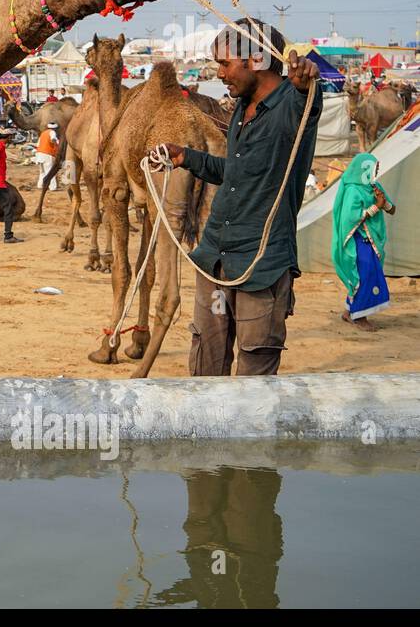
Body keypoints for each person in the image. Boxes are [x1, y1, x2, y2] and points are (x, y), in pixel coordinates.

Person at [162, 20, 322, 376]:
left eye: (225, 63)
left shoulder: (293, 105)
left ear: (257, 60)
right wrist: (186, 157)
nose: (219, 73)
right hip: (215, 259)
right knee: (207, 362)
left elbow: (307, 98)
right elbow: (237, 174)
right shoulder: (242, 108)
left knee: (254, 380)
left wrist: (306, 82)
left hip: (260, 266)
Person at [332, 153, 396, 331]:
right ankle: (359, 317)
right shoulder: (353, 190)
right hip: (357, 240)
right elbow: (349, 218)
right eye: (374, 167)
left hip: (372, 241)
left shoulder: (374, 186)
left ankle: (348, 312)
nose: (377, 171)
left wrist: (383, 203)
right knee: (364, 275)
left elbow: (392, 209)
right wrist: (376, 206)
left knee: (367, 274)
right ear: (364, 168)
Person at [35, 121, 60, 190]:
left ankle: (40, 185)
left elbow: (37, 145)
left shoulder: (43, 133)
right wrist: (56, 145)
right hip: (47, 154)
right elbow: (53, 139)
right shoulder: (52, 132)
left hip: (39, 154)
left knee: (42, 171)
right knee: (49, 171)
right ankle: (53, 187)